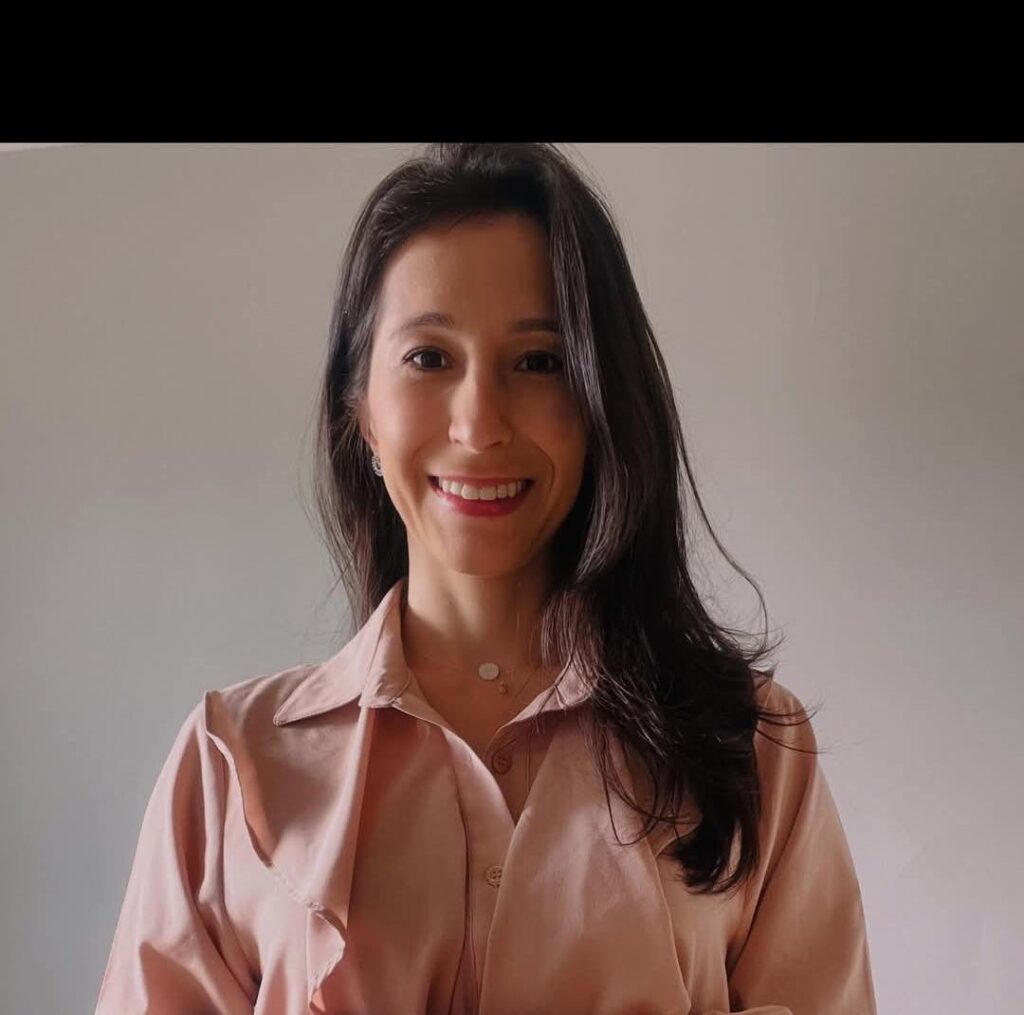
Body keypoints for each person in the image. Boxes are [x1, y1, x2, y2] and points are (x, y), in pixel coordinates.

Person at [94, 142, 878, 1014]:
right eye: (429, 358)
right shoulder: (229, 765)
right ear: (361, 411)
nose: (478, 424)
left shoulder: (752, 747)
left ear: (601, 402)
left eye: (539, 361)